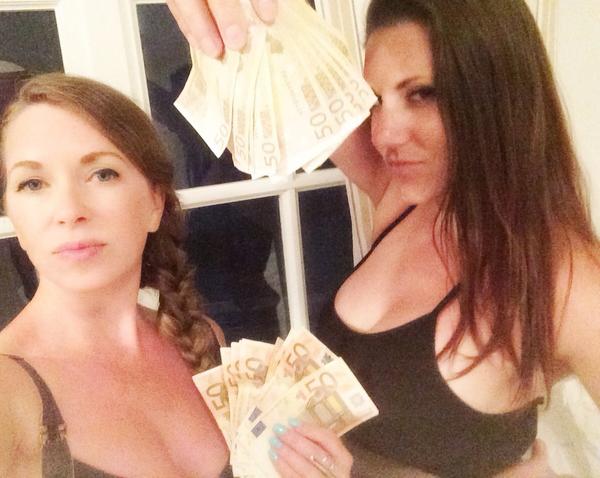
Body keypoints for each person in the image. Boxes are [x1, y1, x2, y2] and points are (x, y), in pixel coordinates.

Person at [166, 0, 600, 476]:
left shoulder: (566, 280)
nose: (384, 135)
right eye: (374, 100)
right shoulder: (401, 199)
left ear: (500, 92)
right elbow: (286, 62)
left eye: (422, 94)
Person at [0, 73, 352, 478]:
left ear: (155, 202)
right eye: (33, 183)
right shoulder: (8, 393)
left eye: (102, 174)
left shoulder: (202, 340)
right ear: (13, 215)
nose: (68, 210)